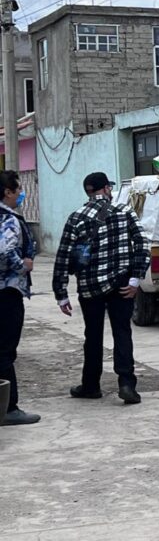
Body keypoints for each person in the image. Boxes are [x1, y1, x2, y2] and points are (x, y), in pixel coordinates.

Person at [52, 172, 149, 405]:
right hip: (122, 284)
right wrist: (136, 278)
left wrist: (61, 293)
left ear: (88, 192)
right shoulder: (124, 211)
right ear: (106, 189)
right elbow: (142, 243)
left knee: (93, 335)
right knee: (122, 332)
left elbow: (63, 256)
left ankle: (91, 385)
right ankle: (126, 384)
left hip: (89, 286)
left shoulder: (76, 217)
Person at [0, 170, 39, 425]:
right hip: (7, 292)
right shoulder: (9, 220)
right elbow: (4, 250)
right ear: (8, 192)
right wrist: (22, 265)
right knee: (5, 351)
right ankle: (9, 407)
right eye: (18, 189)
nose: (21, 194)